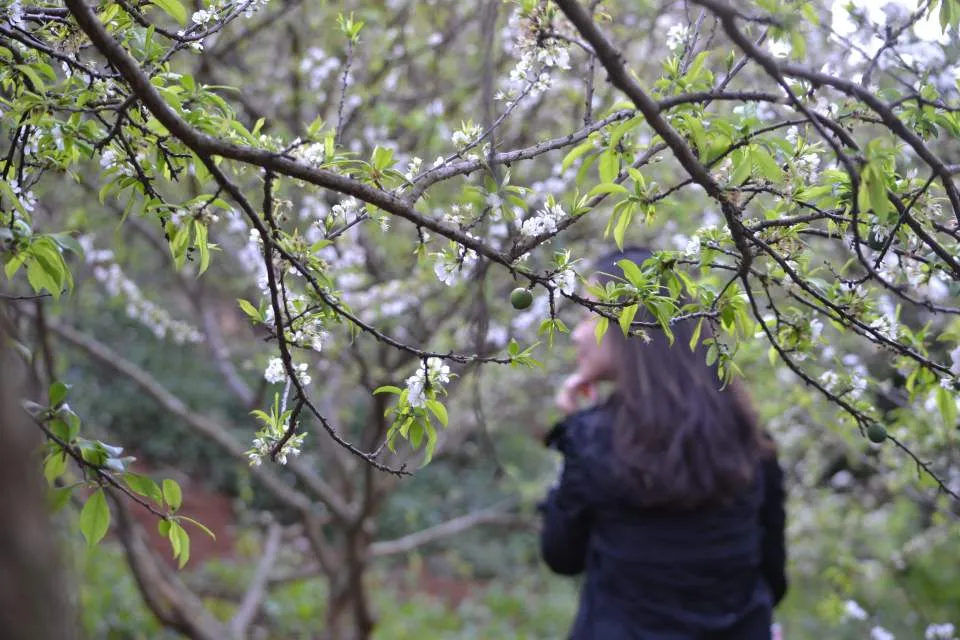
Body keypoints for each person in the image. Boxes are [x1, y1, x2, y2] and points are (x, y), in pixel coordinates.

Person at [537, 246, 787, 640]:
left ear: (632, 329)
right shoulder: (748, 440)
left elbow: (562, 553)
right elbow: (773, 574)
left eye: (589, 315)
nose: (578, 334)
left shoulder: (594, 439)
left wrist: (575, 433)